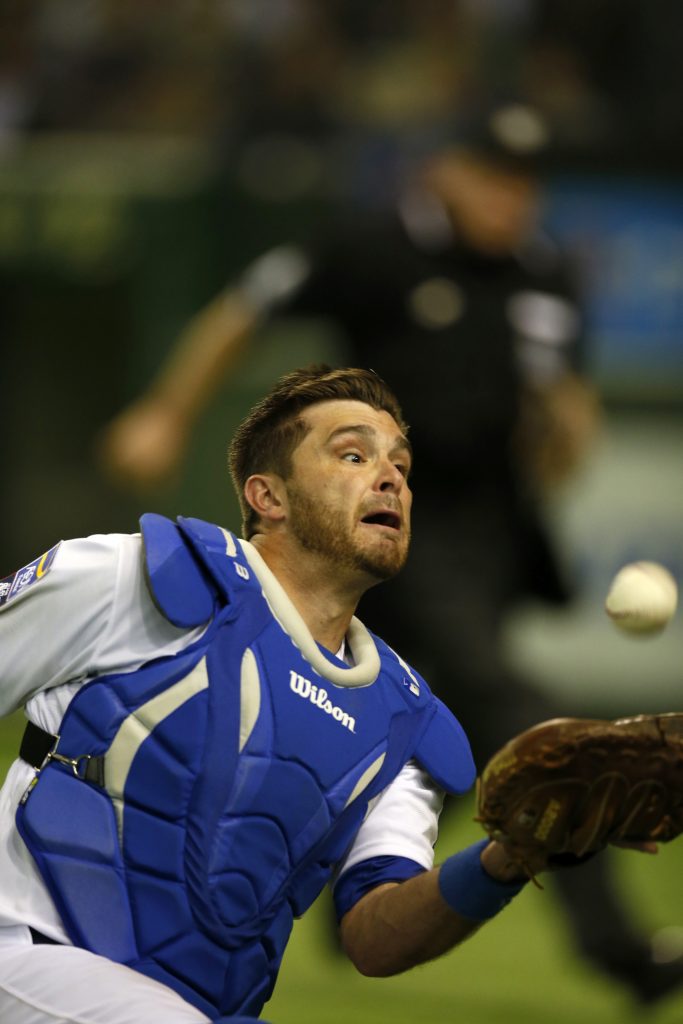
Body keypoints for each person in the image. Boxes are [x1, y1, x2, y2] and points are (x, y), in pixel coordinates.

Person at [97, 104, 683, 1004]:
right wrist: (165, 412)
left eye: (524, 185)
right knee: (533, 726)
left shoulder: (544, 274)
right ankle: (623, 956)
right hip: (380, 519)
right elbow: (241, 311)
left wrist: (567, 431)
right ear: (444, 172)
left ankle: (369, 897)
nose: (509, 200)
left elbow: (559, 397)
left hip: (485, 530)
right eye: (491, 177)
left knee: (427, 738)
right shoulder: (373, 247)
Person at [0, 364, 606, 1024]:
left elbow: (375, 939)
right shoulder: (144, 578)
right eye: (352, 453)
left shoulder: (403, 722)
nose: (390, 478)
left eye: (401, 466)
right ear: (268, 497)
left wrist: (510, 855)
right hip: (25, 957)